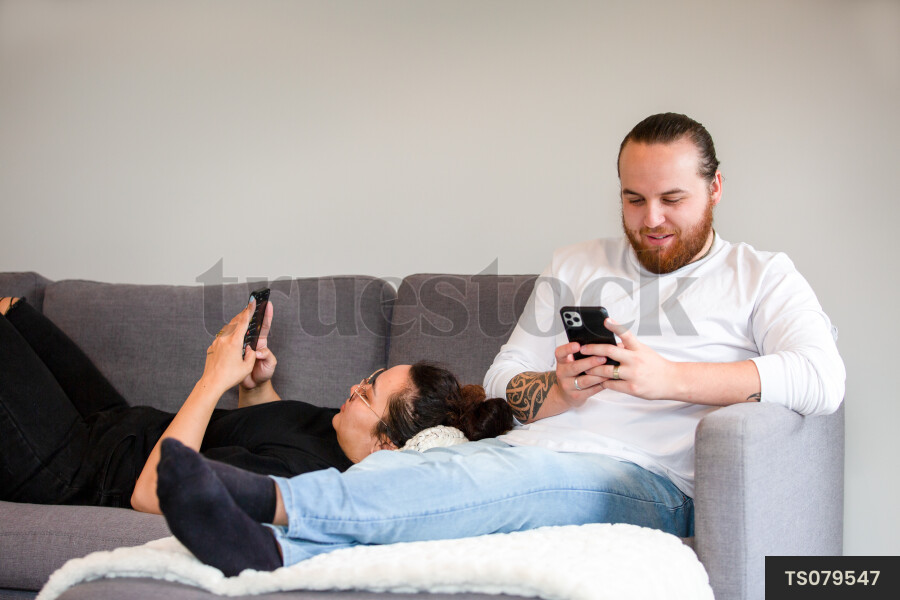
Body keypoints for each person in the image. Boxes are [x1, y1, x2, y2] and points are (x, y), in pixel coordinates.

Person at [152, 112, 845, 576]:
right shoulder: (578, 262)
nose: (651, 220)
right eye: (634, 200)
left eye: (672, 199)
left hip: (645, 481)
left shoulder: (761, 276)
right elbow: (508, 379)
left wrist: (668, 379)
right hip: (532, 448)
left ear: (716, 188)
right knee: (440, 470)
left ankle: (274, 504)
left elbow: (821, 377)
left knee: (513, 477)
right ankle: (273, 551)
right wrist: (559, 390)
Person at [0, 295, 513, 513]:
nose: (354, 386)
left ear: (385, 446)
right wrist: (255, 384)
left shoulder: (301, 488)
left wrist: (213, 380)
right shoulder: (338, 433)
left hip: (81, 471)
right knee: (16, 310)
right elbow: (259, 434)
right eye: (368, 377)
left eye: (366, 394)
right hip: (118, 423)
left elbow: (150, 497)